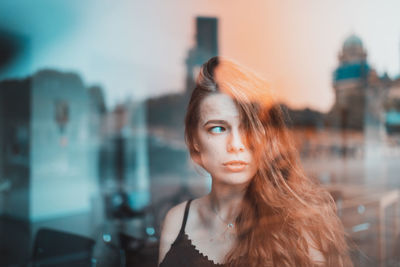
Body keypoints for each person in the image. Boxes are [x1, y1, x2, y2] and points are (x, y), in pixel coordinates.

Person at [158, 57, 352, 266]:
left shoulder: (301, 227)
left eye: (248, 128)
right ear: (195, 140)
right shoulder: (177, 220)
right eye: (218, 128)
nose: (236, 144)